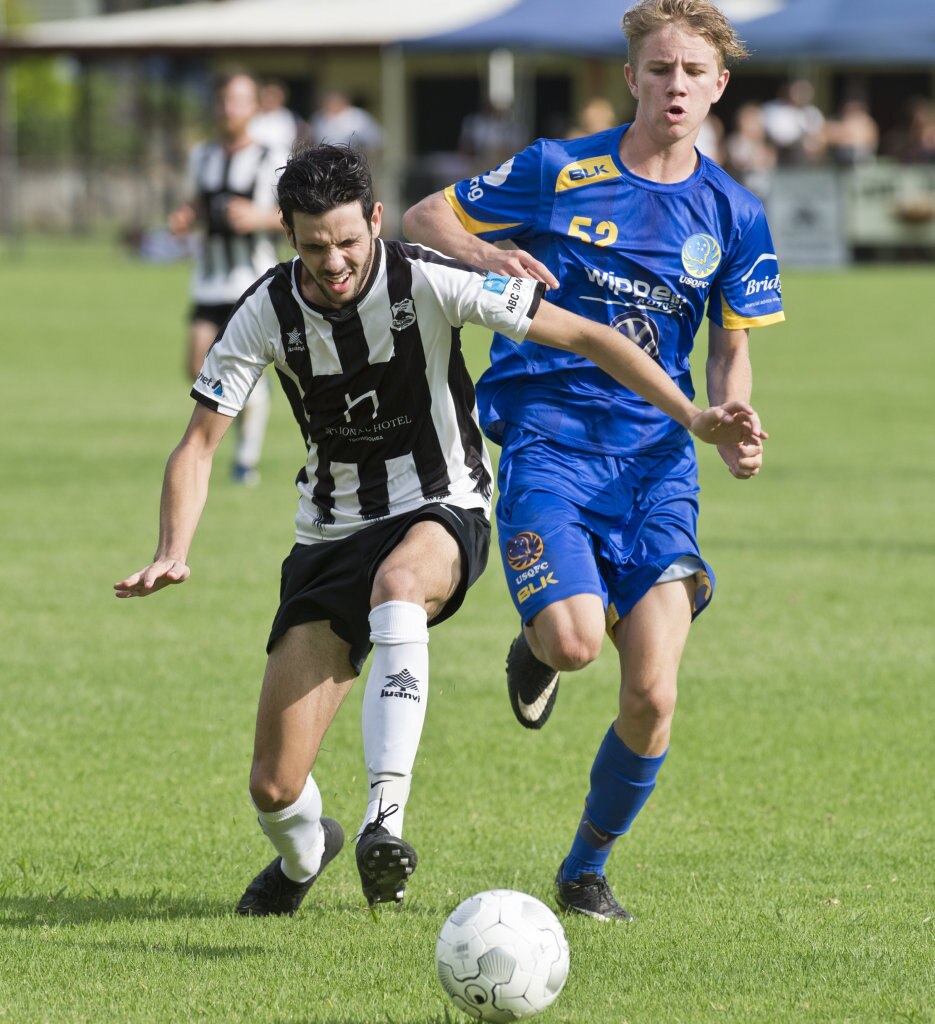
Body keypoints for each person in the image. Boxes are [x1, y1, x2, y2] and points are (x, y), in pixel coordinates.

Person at [114, 142, 764, 919]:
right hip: (329, 534)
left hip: (440, 505)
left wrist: (693, 416)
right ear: (288, 233)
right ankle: (303, 853)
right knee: (272, 786)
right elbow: (198, 443)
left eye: (349, 242)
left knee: (400, 585)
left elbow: (590, 336)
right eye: (315, 246)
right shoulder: (265, 309)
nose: (335, 262)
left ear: (376, 222)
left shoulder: (425, 275)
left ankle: (383, 822)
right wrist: (172, 550)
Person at [403, 0, 784, 922]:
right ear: (632, 77)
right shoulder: (555, 169)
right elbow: (420, 219)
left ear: (719, 85)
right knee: (574, 644)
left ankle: (583, 870)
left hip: (656, 463)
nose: (677, 86)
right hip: (550, 443)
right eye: (661, 70)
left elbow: (731, 341)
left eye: (694, 72)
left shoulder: (734, 213)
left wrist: (731, 410)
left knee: (652, 696)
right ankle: (539, 640)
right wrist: (489, 256)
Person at [168, 70, 286, 486]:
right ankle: (252, 399)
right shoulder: (203, 156)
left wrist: (258, 217)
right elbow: (197, 204)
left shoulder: (271, 157)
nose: (228, 108)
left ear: (255, 106)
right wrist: (186, 218)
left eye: (238, 100)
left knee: (237, 367)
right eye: (223, 100)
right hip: (209, 277)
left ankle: (245, 460)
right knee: (197, 367)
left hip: (250, 278)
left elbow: (296, 214)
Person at [760, 78, 826, 166]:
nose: (801, 95)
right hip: (777, 153)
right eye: (798, 91)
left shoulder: (813, 112)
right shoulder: (772, 109)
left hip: (802, 158)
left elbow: (820, 139)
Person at [308, 89, 383, 154]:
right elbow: (312, 140)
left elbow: (375, 140)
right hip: (324, 162)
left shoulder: (358, 116)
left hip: (352, 162)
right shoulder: (318, 118)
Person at [249, 78, 305, 153]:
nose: (270, 98)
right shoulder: (253, 114)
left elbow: (289, 141)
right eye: (268, 94)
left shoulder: (287, 116)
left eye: (274, 95)